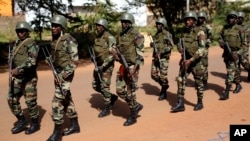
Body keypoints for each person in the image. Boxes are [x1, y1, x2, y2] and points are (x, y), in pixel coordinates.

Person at [47, 15, 80, 141]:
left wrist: (61, 76)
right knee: (66, 99)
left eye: (56, 26)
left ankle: (57, 133)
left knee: (57, 101)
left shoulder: (69, 40)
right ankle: (75, 125)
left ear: (62, 27)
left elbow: (74, 61)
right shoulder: (55, 40)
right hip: (58, 73)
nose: (53, 28)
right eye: (52, 25)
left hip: (66, 74)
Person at [7, 21, 40, 134]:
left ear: (27, 31)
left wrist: (18, 69)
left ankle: (35, 124)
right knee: (11, 98)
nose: (20, 33)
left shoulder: (32, 44)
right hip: (18, 78)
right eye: (18, 31)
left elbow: (32, 61)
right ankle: (22, 121)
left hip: (29, 78)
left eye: (22, 31)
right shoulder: (16, 44)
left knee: (30, 102)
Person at [171, 11, 207, 112]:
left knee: (198, 82)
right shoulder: (184, 32)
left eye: (190, 20)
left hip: (196, 61)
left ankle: (200, 102)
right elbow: (179, 44)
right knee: (180, 80)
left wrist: (191, 60)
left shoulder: (200, 32)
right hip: (185, 60)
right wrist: (180, 49)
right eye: (186, 20)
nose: (188, 22)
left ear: (194, 21)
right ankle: (180, 103)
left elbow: (202, 49)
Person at [113, 13, 144, 126]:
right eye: (122, 22)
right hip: (123, 66)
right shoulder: (120, 35)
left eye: (126, 22)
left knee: (131, 91)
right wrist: (115, 55)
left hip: (132, 66)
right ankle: (135, 105)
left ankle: (133, 115)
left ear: (130, 23)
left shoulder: (137, 35)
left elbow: (140, 55)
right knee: (119, 89)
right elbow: (115, 47)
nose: (123, 24)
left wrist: (134, 69)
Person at [91, 18, 118, 118]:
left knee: (104, 86)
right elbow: (97, 51)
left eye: (99, 26)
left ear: (103, 27)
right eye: (97, 26)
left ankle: (107, 108)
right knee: (95, 85)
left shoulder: (110, 38)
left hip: (107, 66)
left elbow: (113, 54)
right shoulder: (97, 38)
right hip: (98, 65)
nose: (97, 28)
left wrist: (103, 65)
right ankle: (112, 97)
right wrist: (93, 57)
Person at [219, 11, 246, 100]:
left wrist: (238, 53)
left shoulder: (240, 29)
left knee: (230, 72)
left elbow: (244, 44)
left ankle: (226, 92)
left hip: (235, 53)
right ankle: (238, 84)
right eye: (229, 17)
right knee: (233, 72)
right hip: (227, 54)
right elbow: (220, 38)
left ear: (236, 19)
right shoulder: (224, 28)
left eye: (233, 18)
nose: (231, 19)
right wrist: (221, 43)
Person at [150, 17, 174, 100]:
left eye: (160, 24)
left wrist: (162, 52)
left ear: (163, 25)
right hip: (156, 58)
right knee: (153, 75)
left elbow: (171, 46)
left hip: (164, 59)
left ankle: (163, 92)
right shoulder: (156, 35)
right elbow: (156, 45)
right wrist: (152, 45)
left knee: (163, 76)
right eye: (157, 24)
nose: (158, 26)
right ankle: (165, 85)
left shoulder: (167, 34)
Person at [196, 11, 213, 90]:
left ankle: (205, 82)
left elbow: (211, 36)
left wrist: (207, 42)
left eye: (202, 18)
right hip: (196, 48)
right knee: (197, 65)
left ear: (204, 18)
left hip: (204, 48)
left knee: (204, 65)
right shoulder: (195, 26)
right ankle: (199, 81)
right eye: (199, 18)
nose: (200, 19)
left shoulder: (207, 27)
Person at [236, 11, 250, 81]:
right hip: (236, 47)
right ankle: (237, 78)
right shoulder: (234, 26)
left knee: (244, 61)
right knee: (236, 63)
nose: (239, 19)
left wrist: (246, 44)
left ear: (243, 18)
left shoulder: (247, 26)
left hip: (244, 47)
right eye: (238, 18)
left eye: (241, 18)